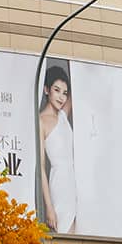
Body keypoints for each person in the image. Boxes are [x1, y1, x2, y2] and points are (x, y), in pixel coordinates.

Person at [38, 64, 77, 234]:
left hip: (76, 182)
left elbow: (79, 85)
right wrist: (49, 207)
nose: (61, 97)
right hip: (60, 186)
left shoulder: (63, 115)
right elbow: (41, 168)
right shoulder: (41, 121)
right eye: (56, 90)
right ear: (46, 90)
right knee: (67, 238)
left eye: (64, 92)